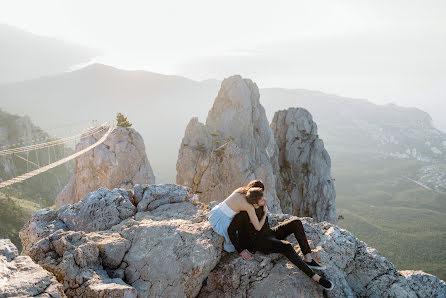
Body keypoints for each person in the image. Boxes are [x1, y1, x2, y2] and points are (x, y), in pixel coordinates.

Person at [227, 182, 334, 291]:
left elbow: (264, 225)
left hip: (269, 233)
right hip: (259, 242)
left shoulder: (260, 205)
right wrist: (240, 249)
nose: (263, 198)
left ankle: (308, 258)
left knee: (296, 222)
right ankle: (315, 277)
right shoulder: (243, 214)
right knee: (287, 247)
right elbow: (230, 230)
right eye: (260, 196)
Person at [209, 180, 268, 252]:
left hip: (215, 213)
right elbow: (258, 227)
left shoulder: (241, 190)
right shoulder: (248, 206)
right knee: (232, 246)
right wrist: (265, 213)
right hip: (221, 221)